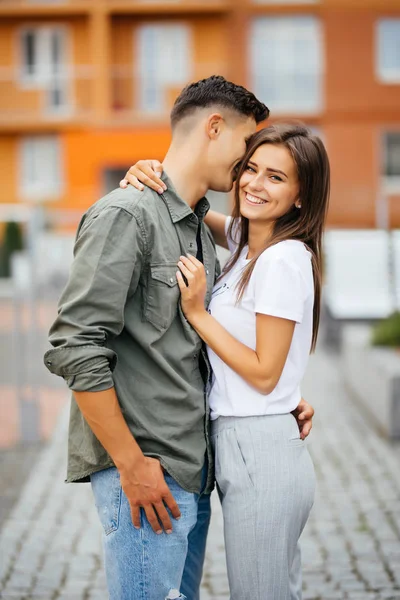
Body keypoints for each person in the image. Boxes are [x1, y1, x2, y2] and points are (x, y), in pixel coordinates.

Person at [44, 76, 315, 600]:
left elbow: (194, 343)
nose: (247, 167)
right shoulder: (126, 215)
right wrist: (130, 464)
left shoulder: (195, 225)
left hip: (194, 471)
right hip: (147, 474)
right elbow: (75, 345)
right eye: (246, 149)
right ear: (214, 127)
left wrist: (285, 397)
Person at [122, 122, 329, 599]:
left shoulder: (281, 259)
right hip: (245, 441)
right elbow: (187, 205)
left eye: (276, 177)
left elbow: (263, 372)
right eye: (250, 169)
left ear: (301, 195)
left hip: (259, 446)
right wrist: (151, 171)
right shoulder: (246, 242)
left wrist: (196, 312)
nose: (255, 184)